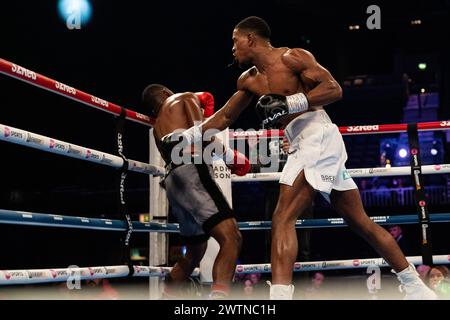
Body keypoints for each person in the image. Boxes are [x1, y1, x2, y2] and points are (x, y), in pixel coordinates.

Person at [169, 16, 436, 300]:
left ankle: (280, 297)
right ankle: (416, 287)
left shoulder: (293, 57)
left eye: (235, 41)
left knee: (283, 216)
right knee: (360, 222)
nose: (232, 49)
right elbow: (224, 116)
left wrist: (291, 101)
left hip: (317, 135)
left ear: (250, 39)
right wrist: (184, 137)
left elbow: (334, 89)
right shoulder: (248, 80)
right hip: (304, 143)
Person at [142, 84, 250, 299]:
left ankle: (166, 297)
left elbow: (171, 155)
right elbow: (203, 132)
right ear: (165, 93)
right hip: (193, 171)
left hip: (173, 181)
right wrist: (231, 157)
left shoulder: (157, 129)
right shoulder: (185, 97)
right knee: (232, 238)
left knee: (194, 252)